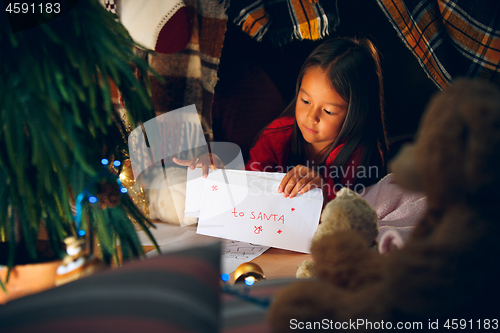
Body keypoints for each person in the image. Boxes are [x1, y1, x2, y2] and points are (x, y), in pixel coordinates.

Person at [175, 37, 388, 202]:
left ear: (356, 112)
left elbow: (355, 212)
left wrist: (320, 191)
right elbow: (250, 185)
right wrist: (219, 173)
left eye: (329, 111)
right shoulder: (277, 135)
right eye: (305, 101)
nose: (311, 117)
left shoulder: (362, 153)